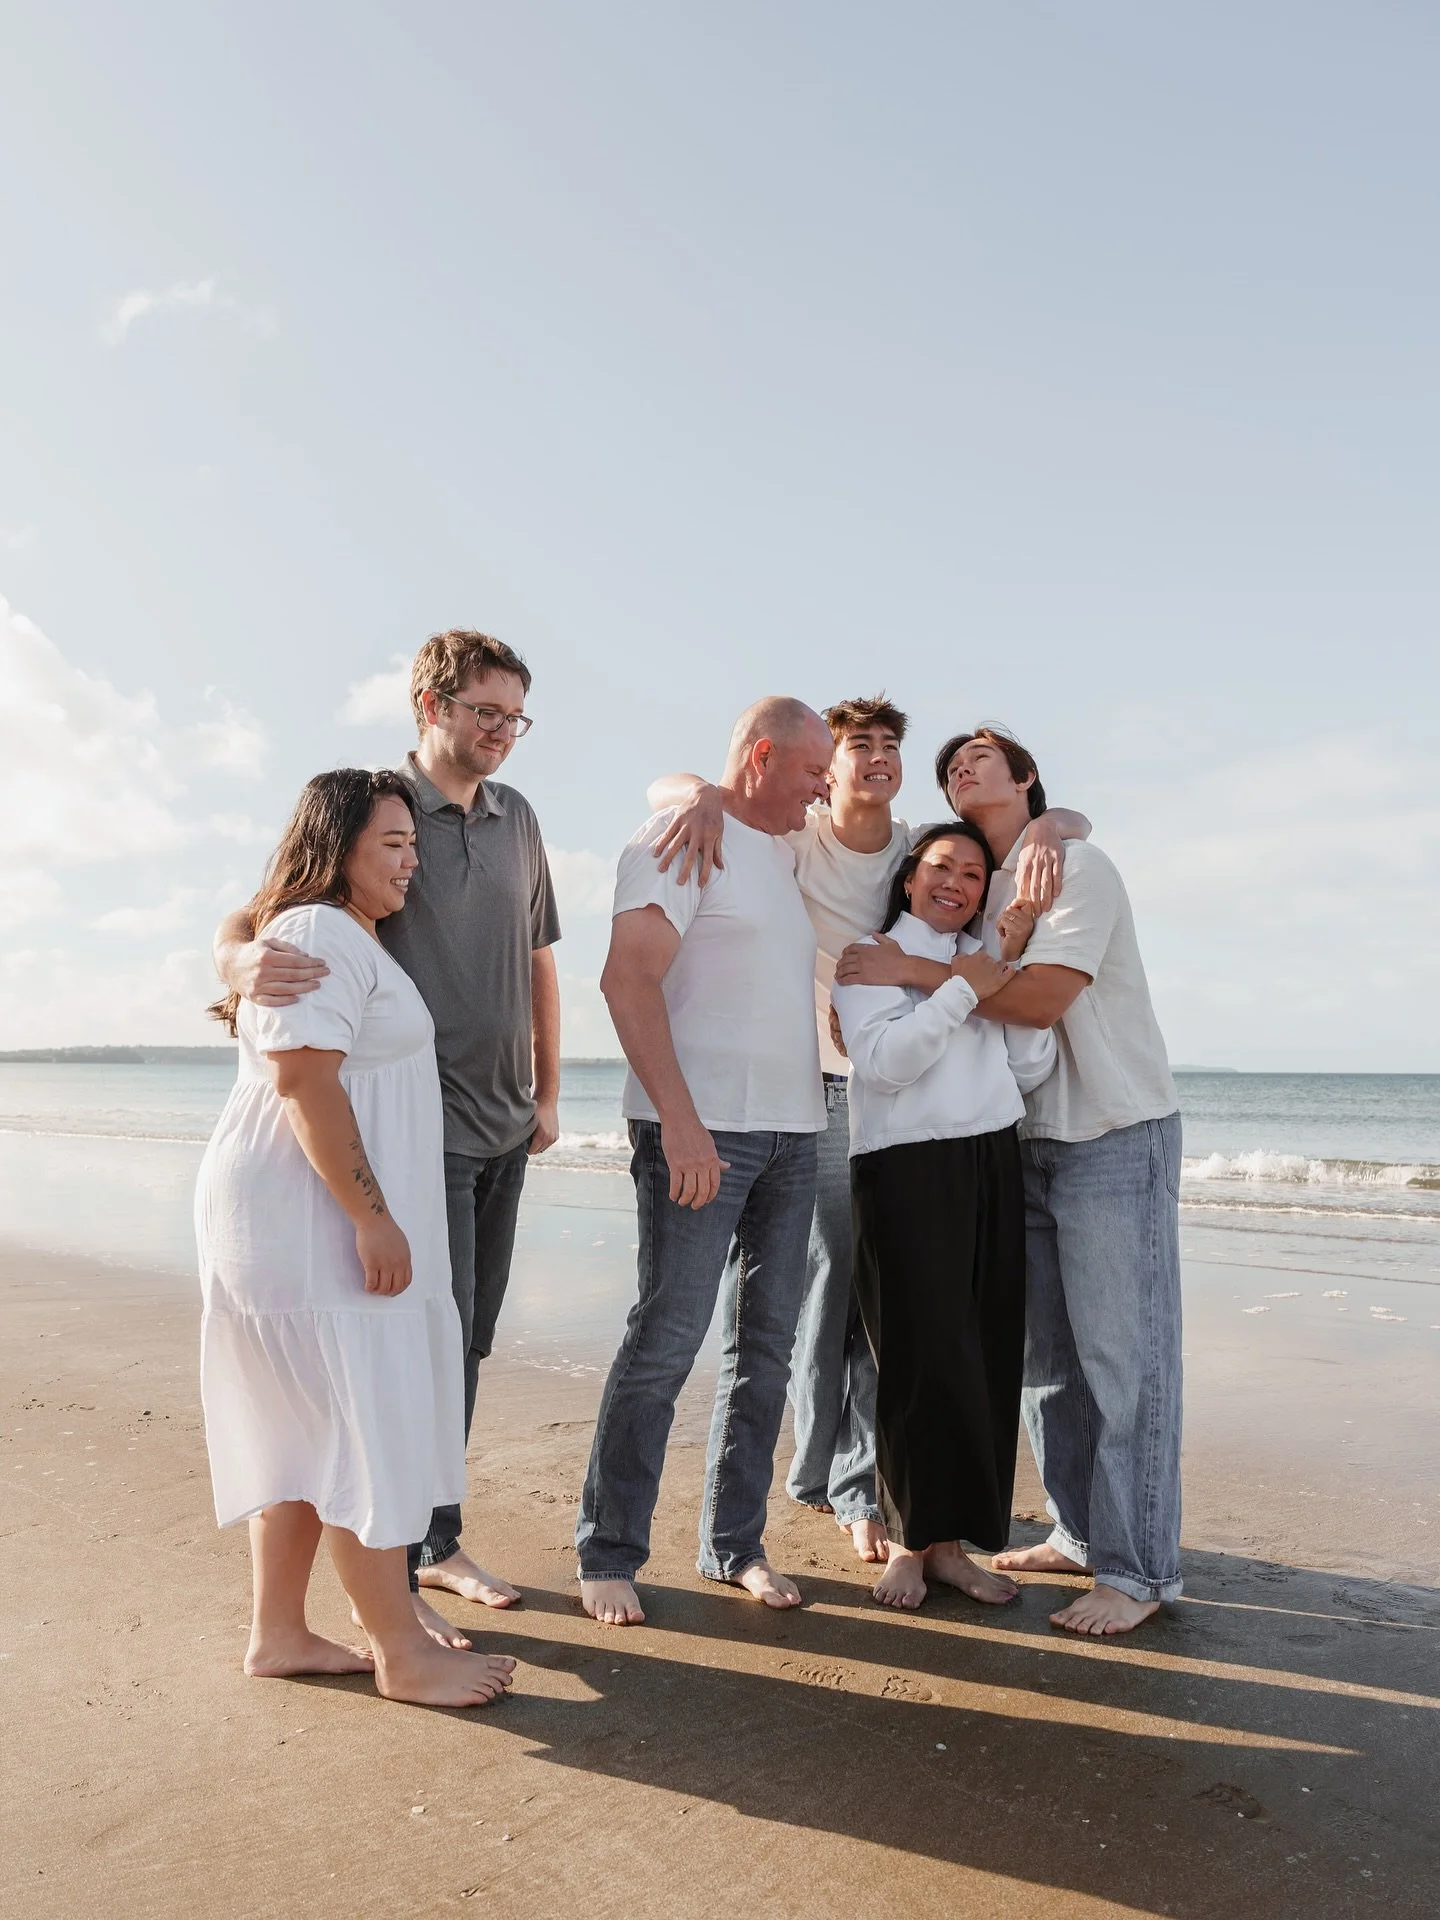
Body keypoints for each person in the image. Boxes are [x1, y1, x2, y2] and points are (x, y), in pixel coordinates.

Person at [646, 700, 1089, 1566]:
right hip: (819, 1084)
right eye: (859, 747)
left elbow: (1020, 836)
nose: (879, 758)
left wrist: (1055, 825)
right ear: (827, 768)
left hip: (894, 1092)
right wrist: (700, 793)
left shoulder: (915, 848)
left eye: (892, 746)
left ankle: (864, 1486)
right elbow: (675, 787)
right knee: (830, 1297)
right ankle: (832, 1476)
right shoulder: (795, 836)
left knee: (880, 1310)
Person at [213, 630, 560, 1645]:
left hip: (503, 1122)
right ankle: (398, 1574)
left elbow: (539, 953)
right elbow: (260, 919)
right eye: (484, 711)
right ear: (431, 704)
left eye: (515, 716)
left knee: (462, 1340)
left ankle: (434, 1540)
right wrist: (236, 970)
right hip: (414, 1141)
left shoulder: (519, 817)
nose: (501, 732)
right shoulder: (369, 810)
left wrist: (545, 1091)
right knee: (407, 1357)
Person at [837, 727, 1182, 1635]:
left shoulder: (1073, 867)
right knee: (1047, 1367)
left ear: (1027, 779)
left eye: (983, 756)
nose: (961, 764)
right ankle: (1076, 1530)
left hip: (1109, 1131)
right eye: (953, 762)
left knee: (1125, 1364)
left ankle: (1139, 1570)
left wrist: (916, 972)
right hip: (1022, 1146)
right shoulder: (987, 906)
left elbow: (1030, 1004)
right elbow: (986, 1021)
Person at [198, 769, 515, 1707]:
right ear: (335, 847)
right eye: (391, 844)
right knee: (358, 1424)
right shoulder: (316, 931)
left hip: (298, 1216)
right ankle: (401, 1653)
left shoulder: (328, 931)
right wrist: (373, 1216)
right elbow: (305, 1082)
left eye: (413, 844)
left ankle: (281, 1633)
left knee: (308, 1430)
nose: (411, 859)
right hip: (310, 1222)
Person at [575, 698, 835, 1627]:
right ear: (763, 756)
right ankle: (607, 1550)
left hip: (791, 1134)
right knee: (667, 1339)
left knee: (763, 1351)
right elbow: (626, 976)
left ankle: (735, 1546)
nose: (824, 789)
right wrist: (680, 1125)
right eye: (814, 772)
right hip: (701, 1133)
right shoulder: (680, 836)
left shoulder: (781, 846)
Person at [832, 822, 1055, 1609]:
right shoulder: (868, 957)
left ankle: (953, 1548)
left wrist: (992, 982)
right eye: (939, 867)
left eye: (971, 871)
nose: (954, 882)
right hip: (905, 1164)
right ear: (908, 879)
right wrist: (963, 988)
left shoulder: (981, 961)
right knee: (916, 1360)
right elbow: (889, 1063)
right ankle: (906, 1544)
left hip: (991, 1156)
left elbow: (1031, 1063)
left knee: (984, 1357)